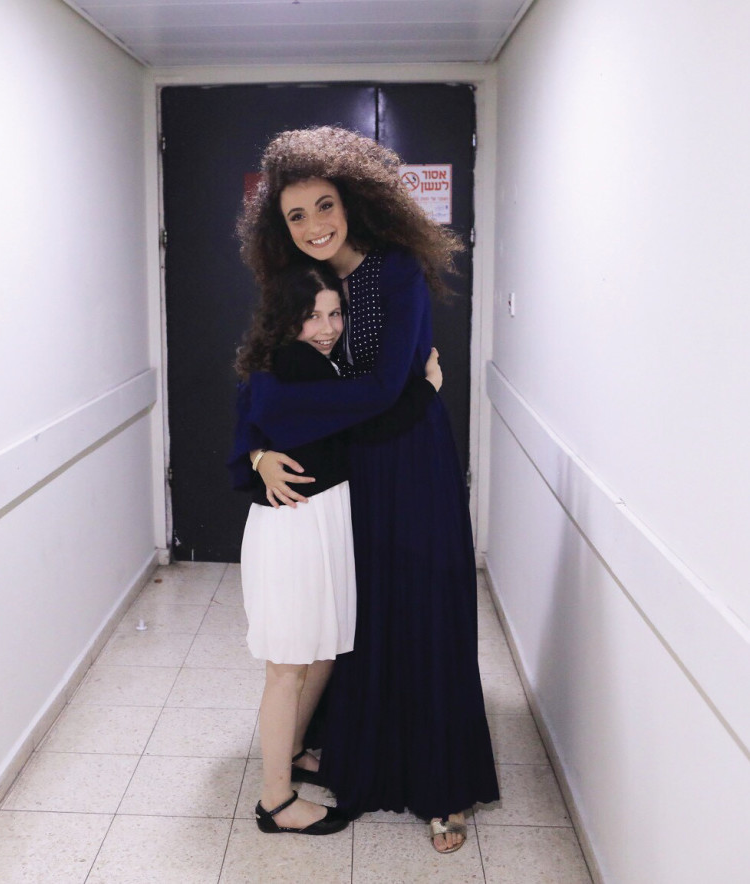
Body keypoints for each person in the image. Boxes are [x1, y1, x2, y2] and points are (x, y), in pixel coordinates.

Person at [230, 126, 499, 854]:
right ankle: (361, 756)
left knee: (423, 612)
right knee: (359, 621)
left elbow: (382, 389)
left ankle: (442, 787)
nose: (315, 225)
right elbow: (258, 378)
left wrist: (281, 418)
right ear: (280, 227)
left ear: (352, 201)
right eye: (296, 215)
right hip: (349, 473)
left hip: (409, 461)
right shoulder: (297, 283)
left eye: (325, 205)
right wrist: (257, 448)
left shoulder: (397, 269)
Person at [235, 260, 442, 836]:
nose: (326, 328)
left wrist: (258, 453)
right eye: (311, 316)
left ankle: (293, 750)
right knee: (289, 666)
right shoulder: (292, 363)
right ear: (286, 320)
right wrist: (426, 388)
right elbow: (367, 418)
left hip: (317, 521)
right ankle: (275, 803)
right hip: (294, 529)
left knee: (321, 652)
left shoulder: (310, 361)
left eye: (334, 313)